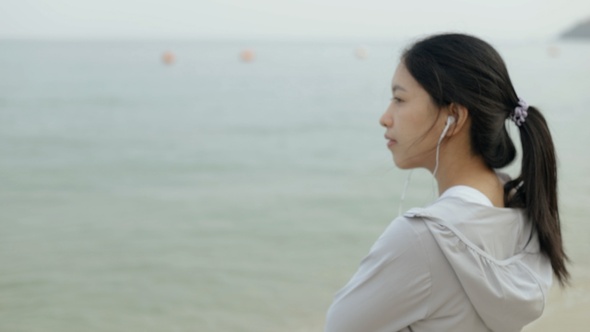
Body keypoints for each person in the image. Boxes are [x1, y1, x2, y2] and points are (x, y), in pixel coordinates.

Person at [325, 33, 569, 332]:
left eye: (399, 99)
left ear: (453, 116)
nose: (385, 118)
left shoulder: (423, 239)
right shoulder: (522, 213)